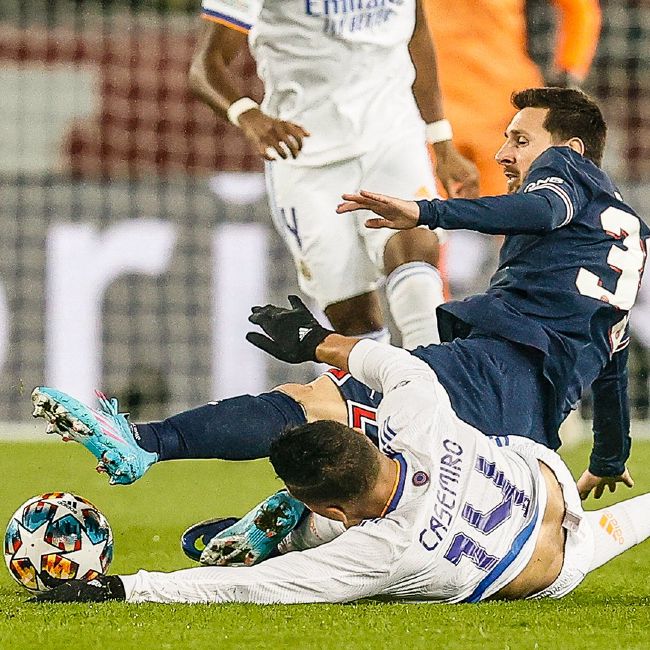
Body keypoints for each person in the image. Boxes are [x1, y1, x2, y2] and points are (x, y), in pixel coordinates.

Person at [31, 88, 647, 511]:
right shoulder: (629, 237)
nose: (505, 154)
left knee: (312, 402)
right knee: (384, 477)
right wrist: (611, 453)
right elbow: (613, 358)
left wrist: (424, 209)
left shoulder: (567, 177)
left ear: (570, 147)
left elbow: (542, 207)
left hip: (491, 372)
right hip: (533, 427)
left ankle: (141, 443)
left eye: (520, 140)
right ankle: (280, 530)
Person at [34, 322, 650, 604]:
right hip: (546, 498)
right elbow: (395, 366)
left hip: (536, 561)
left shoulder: (379, 553)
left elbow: (251, 586)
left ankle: (286, 527)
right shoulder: (424, 423)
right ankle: (280, 522)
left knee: (313, 528)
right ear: (370, 441)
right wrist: (314, 341)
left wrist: (122, 586)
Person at [189, 0, 479, 349]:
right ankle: (379, 397)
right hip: (307, 159)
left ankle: (435, 391)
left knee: (417, 268)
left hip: (392, 138)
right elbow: (205, 67)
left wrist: (440, 139)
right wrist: (248, 115)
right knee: (354, 322)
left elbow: (415, 31)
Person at [424, 0, 601, 197]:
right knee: (511, 213)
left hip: (442, 108)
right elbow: (581, 11)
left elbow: (580, 11)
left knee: (428, 213)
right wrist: (569, 71)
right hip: (500, 105)